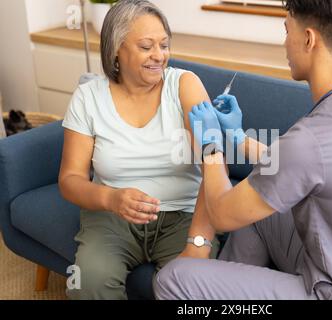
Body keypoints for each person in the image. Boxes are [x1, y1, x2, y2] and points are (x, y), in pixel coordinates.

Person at [154, 0, 332, 300]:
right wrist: (239, 139)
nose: (284, 43)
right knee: (260, 206)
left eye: (286, 30)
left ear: (308, 39)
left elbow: (222, 214)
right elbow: (304, 167)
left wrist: (211, 147)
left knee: (172, 278)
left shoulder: (311, 139)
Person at [59, 0, 219, 300]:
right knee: (86, 283)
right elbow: (70, 179)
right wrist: (111, 198)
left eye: (164, 44)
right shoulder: (88, 97)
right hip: (111, 217)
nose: (159, 56)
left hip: (183, 216)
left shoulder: (185, 86)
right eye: (147, 46)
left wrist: (198, 243)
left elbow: (215, 166)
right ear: (117, 49)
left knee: (192, 290)